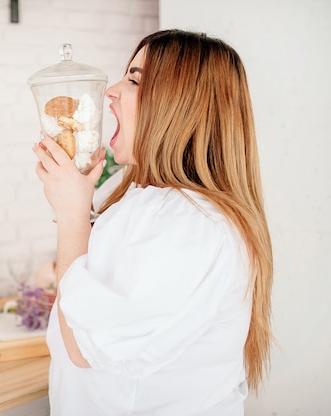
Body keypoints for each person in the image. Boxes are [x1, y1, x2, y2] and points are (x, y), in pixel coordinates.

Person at [32, 29, 273, 415]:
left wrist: (72, 214)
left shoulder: (193, 225)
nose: (110, 91)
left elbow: (85, 345)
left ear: (181, 106)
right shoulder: (152, 202)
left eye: (133, 80)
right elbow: (104, 281)